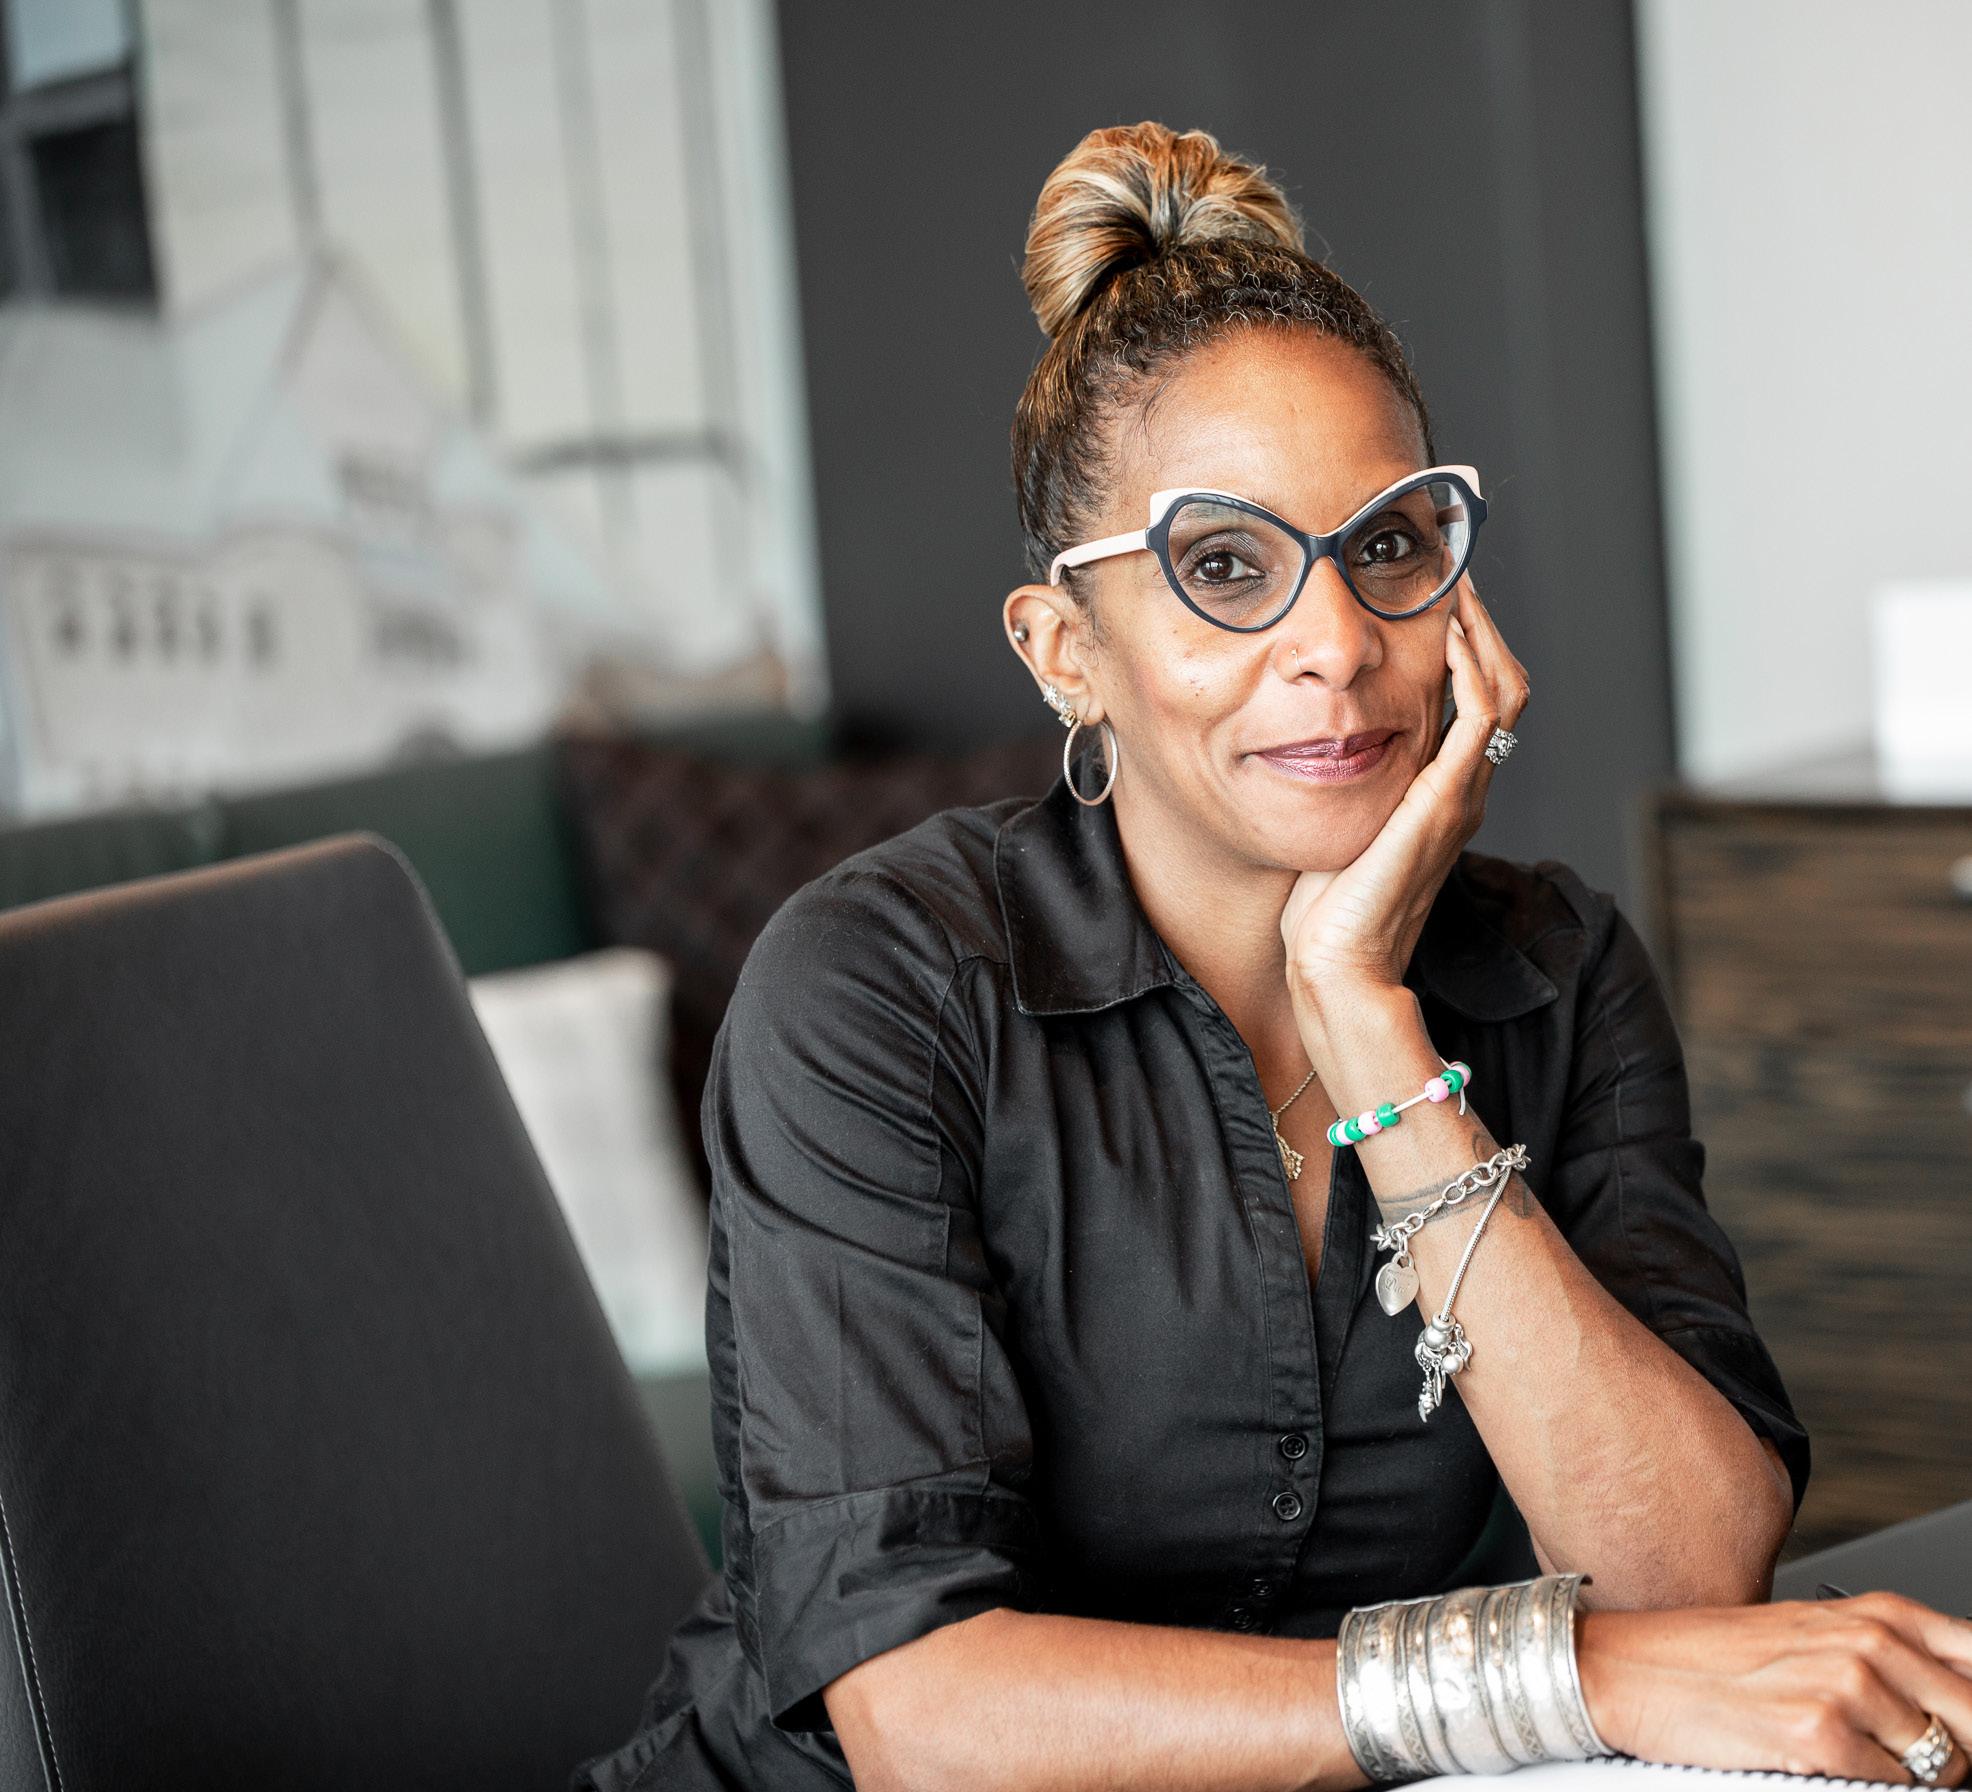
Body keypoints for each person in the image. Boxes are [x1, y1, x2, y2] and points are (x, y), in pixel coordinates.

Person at [569, 122, 1972, 1792]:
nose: (1336, 644)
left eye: (1388, 546)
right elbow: (922, 1714)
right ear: (1065, 652)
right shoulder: (876, 990)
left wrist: (1368, 1020)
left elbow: (1688, 1583)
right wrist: (1560, 1676)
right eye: (1223, 566)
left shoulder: (1554, 967)